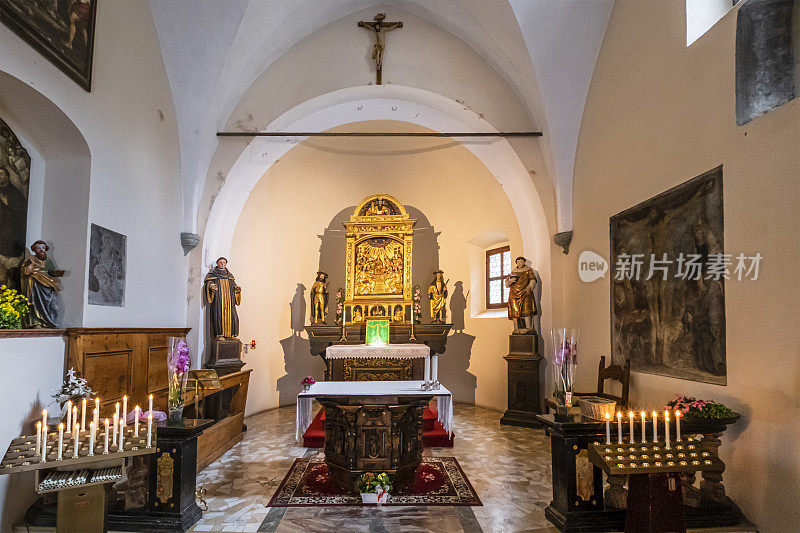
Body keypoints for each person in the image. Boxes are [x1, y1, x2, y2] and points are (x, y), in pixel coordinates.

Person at [21, 240, 64, 328]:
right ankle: (36, 323)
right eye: (38, 248)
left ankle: (47, 322)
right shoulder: (30, 259)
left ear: (46, 249)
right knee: (35, 303)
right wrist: (28, 268)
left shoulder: (49, 261)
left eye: (43, 248)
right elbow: (24, 271)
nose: (41, 250)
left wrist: (56, 273)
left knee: (48, 304)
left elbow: (51, 271)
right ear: (34, 250)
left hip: (47, 286)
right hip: (35, 285)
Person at [204, 257, 241, 338]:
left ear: (226, 264)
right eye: (220, 262)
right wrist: (211, 286)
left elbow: (234, 286)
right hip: (219, 300)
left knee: (233, 316)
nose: (222, 264)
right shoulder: (213, 274)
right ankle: (219, 334)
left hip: (229, 301)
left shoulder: (230, 275)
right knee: (218, 316)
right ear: (217, 264)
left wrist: (237, 289)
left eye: (224, 262)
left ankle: (232, 334)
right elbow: (208, 283)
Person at [506, 256, 537, 334]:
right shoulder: (513, 272)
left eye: (521, 261)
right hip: (513, 294)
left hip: (525, 292)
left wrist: (530, 286)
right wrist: (510, 281)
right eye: (518, 262)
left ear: (524, 262)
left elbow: (533, 279)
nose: (520, 263)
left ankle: (528, 327)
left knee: (527, 309)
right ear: (516, 263)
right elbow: (506, 284)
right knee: (514, 310)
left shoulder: (528, 271)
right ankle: (516, 328)